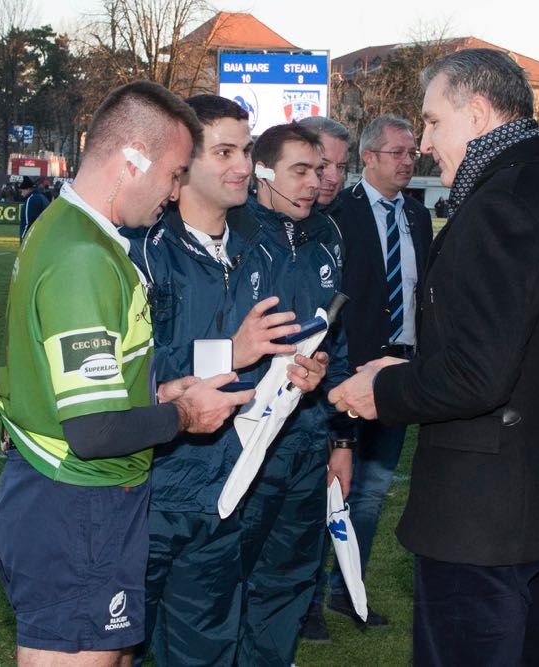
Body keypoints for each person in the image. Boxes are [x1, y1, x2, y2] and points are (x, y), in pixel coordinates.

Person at [329, 48, 539, 666]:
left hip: (488, 516)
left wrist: (378, 393)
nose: (426, 145)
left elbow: (478, 375)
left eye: (433, 122)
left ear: (479, 114)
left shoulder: (503, 207)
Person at [0, 80, 255, 667]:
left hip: (76, 504)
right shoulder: (85, 256)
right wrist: (186, 414)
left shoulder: (78, 236)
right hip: (75, 506)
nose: (174, 188)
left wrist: (159, 389)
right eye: (174, 171)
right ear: (132, 159)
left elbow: (81, 383)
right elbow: (95, 431)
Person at [127, 95, 336, 666]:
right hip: (144, 494)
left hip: (225, 494)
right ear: (182, 160)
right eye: (224, 151)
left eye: (245, 150)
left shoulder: (263, 249)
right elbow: (125, 376)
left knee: (205, 653)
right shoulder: (140, 251)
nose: (244, 165)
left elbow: (268, 354)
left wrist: (296, 374)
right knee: (111, 650)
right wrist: (230, 351)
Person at [302, 114, 433, 641]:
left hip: (401, 375)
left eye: (412, 153)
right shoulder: (338, 216)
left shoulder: (419, 217)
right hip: (348, 375)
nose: (409, 161)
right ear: (371, 158)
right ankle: (307, 599)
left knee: (373, 490)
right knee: (330, 487)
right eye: (398, 153)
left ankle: (346, 589)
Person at [238, 121, 354, 666]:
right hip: (242, 444)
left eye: (321, 170)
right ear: (263, 172)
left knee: (289, 581)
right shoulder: (234, 233)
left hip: (307, 442)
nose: (316, 182)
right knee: (226, 582)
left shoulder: (327, 234)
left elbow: (340, 342)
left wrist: (342, 438)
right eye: (301, 171)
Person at [18, 176, 50, 241]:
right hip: (44, 237)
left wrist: (23, 239)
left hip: (32, 239)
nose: (21, 193)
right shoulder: (43, 198)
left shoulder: (31, 200)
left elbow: (27, 222)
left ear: (28, 189)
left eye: (22, 190)